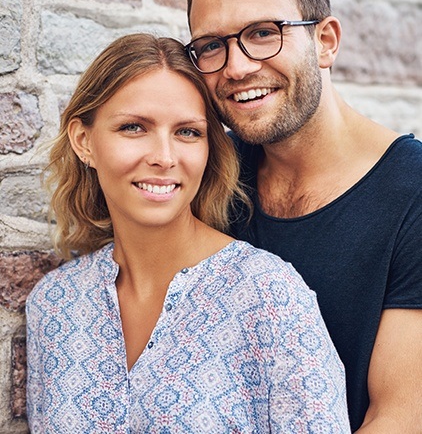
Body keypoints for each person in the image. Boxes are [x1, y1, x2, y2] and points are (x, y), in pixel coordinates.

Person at [25, 33, 350, 433]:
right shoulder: (54, 303)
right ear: (83, 140)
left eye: (188, 132)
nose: (163, 157)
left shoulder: (269, 295)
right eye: (133, 127)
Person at [185, 0, 422, 433]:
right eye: (211, 45)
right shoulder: (209, 175)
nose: (237, 66)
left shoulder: (412, 192)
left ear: (326, 41)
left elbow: (399, 417)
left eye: (264, 32)